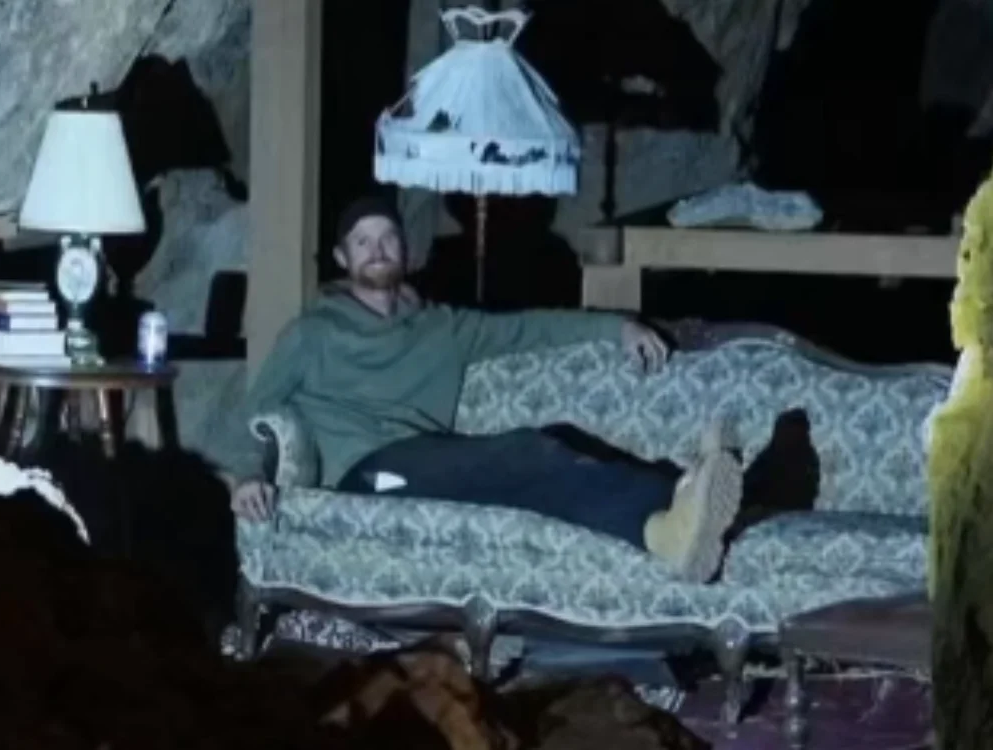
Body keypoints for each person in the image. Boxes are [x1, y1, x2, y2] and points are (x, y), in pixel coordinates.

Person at [225, 196, 744, 583]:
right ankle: (674, 509)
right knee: (526, 452)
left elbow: (528, 329)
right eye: (363, 242)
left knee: (555, 443)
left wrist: (617, 327)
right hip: (365, 475)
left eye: (387, 238)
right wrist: (247, 475)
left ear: (405, 249)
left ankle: (673, 508)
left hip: (426, 458)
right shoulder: (313, 333)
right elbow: (259, 409)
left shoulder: (442, 327)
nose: (377, 250)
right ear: (343, 257)